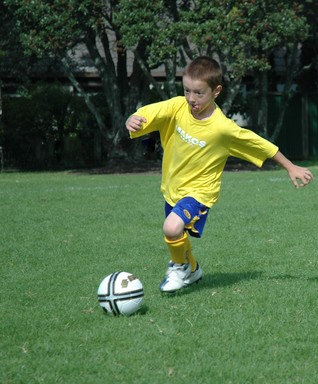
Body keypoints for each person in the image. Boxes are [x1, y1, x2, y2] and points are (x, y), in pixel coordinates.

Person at [126, 56, 313, 293]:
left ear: (216, 91)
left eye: (199, 93)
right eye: (187, 91)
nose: (191, 99)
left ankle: (179, 267)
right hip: (172, 187)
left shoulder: (222, 128)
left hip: (201, 192)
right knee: (177, 232)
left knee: (171, 228)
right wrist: (132, 120)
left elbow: (260, 144)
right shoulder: (176, 106)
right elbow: (146, 114)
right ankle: (192, 269)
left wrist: (290, 167)